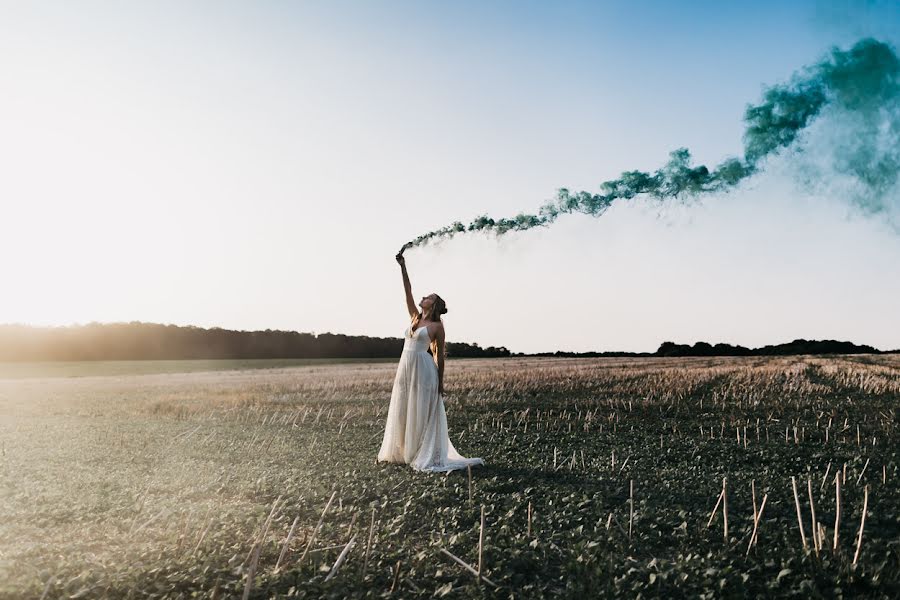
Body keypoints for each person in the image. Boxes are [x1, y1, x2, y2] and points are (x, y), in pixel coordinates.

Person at [376, 249, 484, 473]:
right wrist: (403, 267)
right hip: (405, 368)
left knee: (421, 410)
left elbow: (439, 356)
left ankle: (419, 452)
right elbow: (408, 291)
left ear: (433, 305)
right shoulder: (415, 317)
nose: (423, 297)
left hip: (424, 370)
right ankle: (403, 452)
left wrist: (441, 382)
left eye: (429, 297)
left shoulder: (437, 327)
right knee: (404, 406)